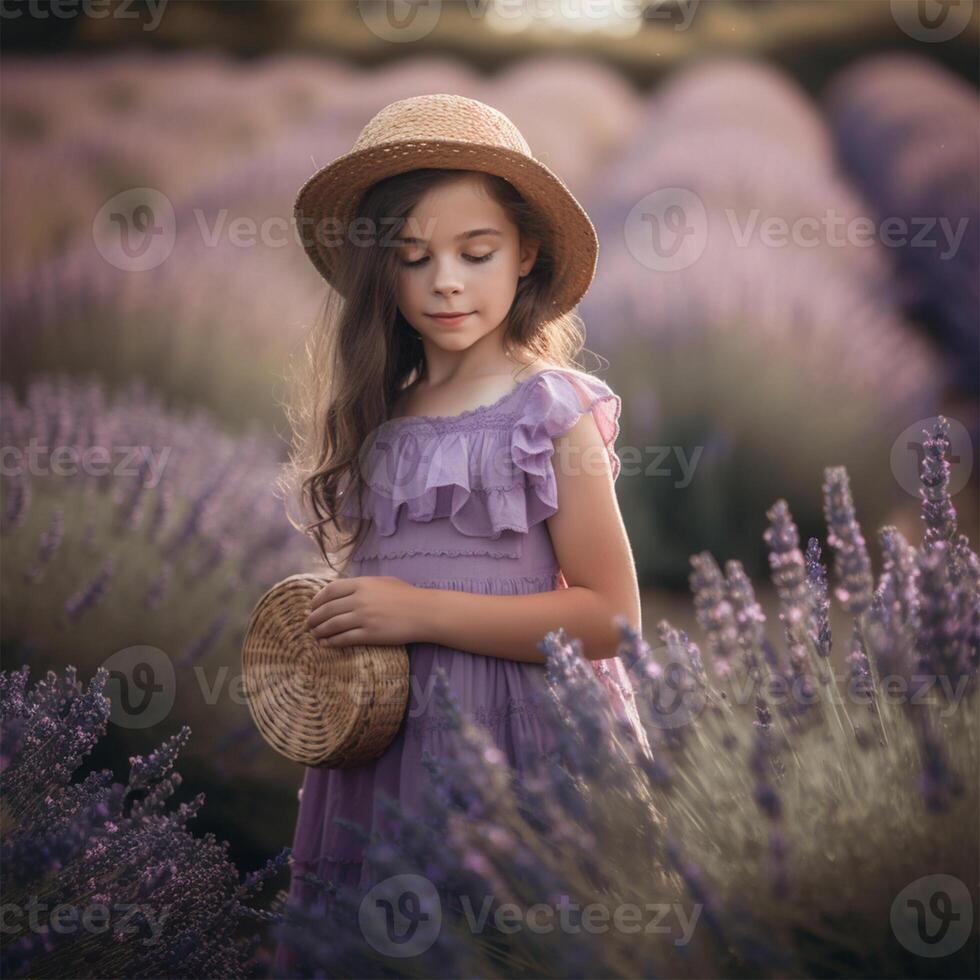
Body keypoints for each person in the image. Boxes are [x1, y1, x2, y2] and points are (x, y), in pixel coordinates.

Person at [273, 93, 649, 977]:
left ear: (525, 255)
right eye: (414, 258)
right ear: (381, 275)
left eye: (475, 253)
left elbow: (612, 618)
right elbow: (384, 593)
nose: (446, 280)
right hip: (385, 749)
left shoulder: (548, 412)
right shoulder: (377, 419)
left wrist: (418, 611)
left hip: (519, 743)